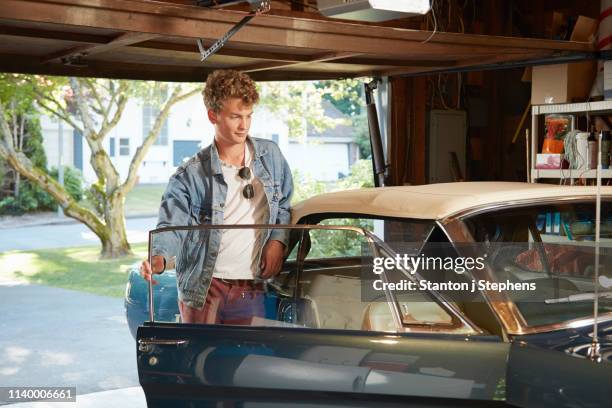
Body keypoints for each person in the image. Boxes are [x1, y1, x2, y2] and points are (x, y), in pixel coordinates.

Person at [140, 69, 293, 325]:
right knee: (201, 361)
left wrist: (277, 242)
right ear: (213, 115)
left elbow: (284, 205)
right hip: (204, 288)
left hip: (251, 287)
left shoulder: (271, 156)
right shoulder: (189, 175)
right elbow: (172, 226)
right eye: (235, 117)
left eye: (248, 116)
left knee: (248, 361)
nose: (244, 125)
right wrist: (159, 258)